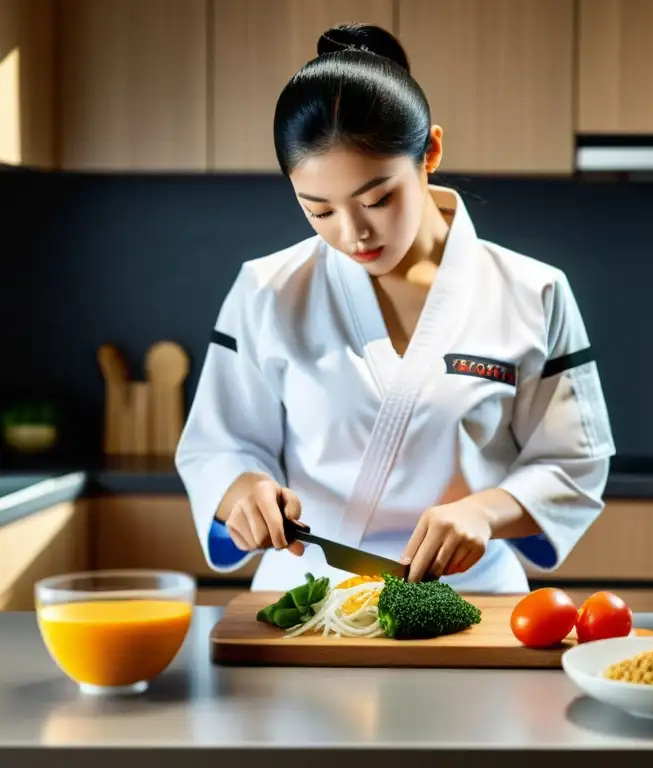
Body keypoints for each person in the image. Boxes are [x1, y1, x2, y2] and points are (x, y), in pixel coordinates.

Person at [175, 22, 615, 594]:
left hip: (470, 603)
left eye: (377, 198)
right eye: (318, 210)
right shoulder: (267, 289)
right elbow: (218, 445)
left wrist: (484, 512)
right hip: (304, 601)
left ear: (430, 151)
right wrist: (244, 492)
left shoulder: (533, 292)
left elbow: (573, 466)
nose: (354, 233)